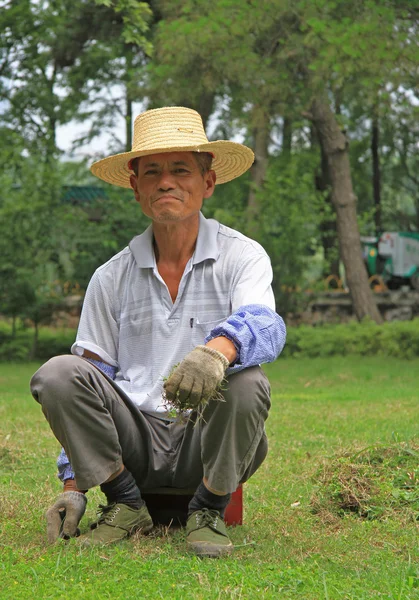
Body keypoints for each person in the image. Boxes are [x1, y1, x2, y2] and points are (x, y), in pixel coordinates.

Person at [30, 106, 286, 558]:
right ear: (136, 187)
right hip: (133, 449)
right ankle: (126, 505)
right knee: (58, 373)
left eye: (181, 169)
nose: (166, 181)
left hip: (203, 446)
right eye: (152, 172)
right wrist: (73, 483)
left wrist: (215, 351)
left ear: (207, 182)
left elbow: (266, 325)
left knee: (248, 381)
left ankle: (208, 509)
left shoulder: (242, 256)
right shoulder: (111, 276)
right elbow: (90, 381)